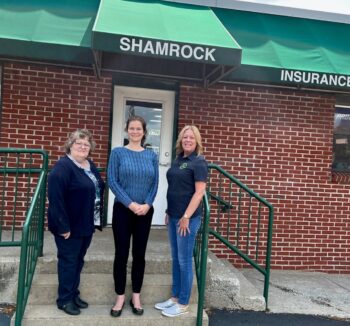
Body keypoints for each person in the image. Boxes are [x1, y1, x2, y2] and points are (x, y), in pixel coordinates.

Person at [47, 129, 105, 316]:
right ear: (70, 145)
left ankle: (73, 294)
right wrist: (63, 227)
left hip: (85, 223)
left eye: (86, 144)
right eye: (78, 143)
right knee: (68, 262)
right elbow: (56, 199)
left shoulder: (89, 165)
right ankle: (64, 300)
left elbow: (96, 188)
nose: (82, 147)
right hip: (69, 226)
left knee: (78, 261)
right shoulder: (63, 167)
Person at [107, 115, 159, 317]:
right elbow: (112, 180)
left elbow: (155, 183)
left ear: (144, 132)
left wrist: (147, 204)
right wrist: (130, 203)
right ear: (127, 130)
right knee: (121, 254)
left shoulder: (151, 155)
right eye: (132, 128)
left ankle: (135, 295)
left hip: (145, 212)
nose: (135, 131)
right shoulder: (118, 153)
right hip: (123, 210)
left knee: (139, 255)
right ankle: (120, 296)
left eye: (139, 128)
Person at [155, 125, 208, 318]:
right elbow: (175, 188)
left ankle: (184, 302)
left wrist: (186, 216)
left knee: (185, 261)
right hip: (174, 216)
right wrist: (170, 211)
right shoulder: (178, 160)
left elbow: (199, 192)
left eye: (191, 138)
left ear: (197, 141)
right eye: (185, 137)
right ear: (180, 140)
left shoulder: (199, 162)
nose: (187, 140)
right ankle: (175, 297)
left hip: (188, 219)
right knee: (176, 259)